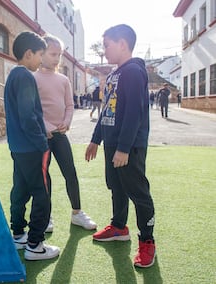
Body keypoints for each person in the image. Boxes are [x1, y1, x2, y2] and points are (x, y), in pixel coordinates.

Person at [85, 24, 156, 268]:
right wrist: (96, 139)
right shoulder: (116, 73)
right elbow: (107, 110)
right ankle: (118, 227)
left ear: (122, 44)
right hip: (112, 144)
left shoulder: (134, 71)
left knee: (138, 193)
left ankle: (147, 241)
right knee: (116, 187)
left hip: (129, 147)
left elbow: (135, 114)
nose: (104, 51)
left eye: (107, 45)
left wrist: (124, 148)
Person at [4, 31, 60, 261]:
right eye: (40, 54)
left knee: (21, 189)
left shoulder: (13, 75)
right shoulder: (25, 76)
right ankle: (35, 245)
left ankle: (18, 233)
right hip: (32, 147)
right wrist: (42, 143)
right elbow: (28, 117)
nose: (41, 59)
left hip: (18, 147)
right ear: (28, 54)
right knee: (42, 192)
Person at [34, 34, 96, 232]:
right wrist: (47, 127)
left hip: (60, 135)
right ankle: (47, 216)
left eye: (59, 55)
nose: (56, 58)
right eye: (53, 54)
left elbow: (70, 105)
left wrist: (67, 122)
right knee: (44, 177)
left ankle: (77, 213)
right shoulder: (32, 78)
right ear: (41, 53)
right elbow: (32, 109)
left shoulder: (63, 80)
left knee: (70, 172)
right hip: (42, 136)